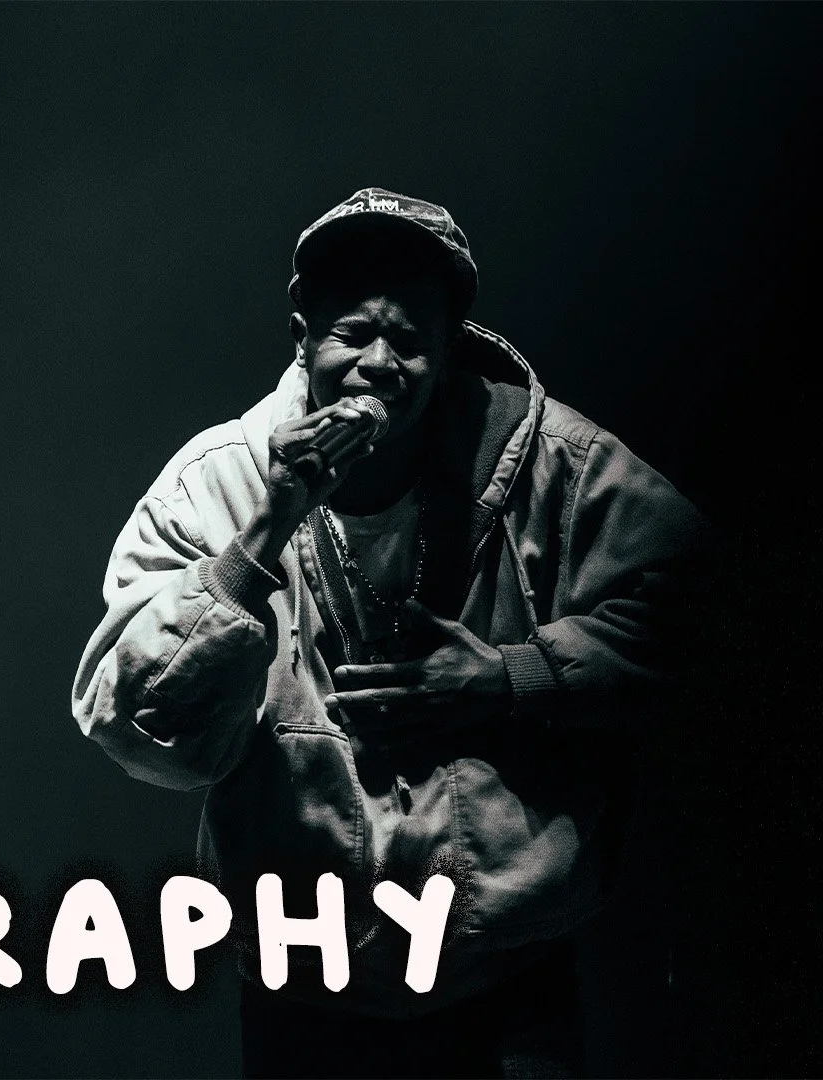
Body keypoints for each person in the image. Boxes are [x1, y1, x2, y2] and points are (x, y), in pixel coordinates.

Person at [70, 188, 708, 1078]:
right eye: (352, 334)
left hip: (505, 976)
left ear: (448, 350)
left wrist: (509, 677)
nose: (379, 363)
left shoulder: (553, 464)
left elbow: (703, 617)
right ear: (303, 338)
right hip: (305, 981)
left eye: (408, 340)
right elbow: (136, 724)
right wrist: (264, 533)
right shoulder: (214, 484)